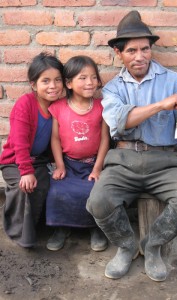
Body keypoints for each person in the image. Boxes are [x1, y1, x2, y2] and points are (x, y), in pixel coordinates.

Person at [86, 11, 177, 282]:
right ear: (118, 52)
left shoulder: (175, 82)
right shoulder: (112, 89)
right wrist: (161, 104)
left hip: (164, 163)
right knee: (97, 202)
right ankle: (126, 245)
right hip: (122, 161)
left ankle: (153, 245)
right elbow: (121, 122)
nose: (140, 56)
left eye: (145, 49)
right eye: (132, 50)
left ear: (151, 49)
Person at [0, 52, 64, 248]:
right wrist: (26, 172)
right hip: (14, 162)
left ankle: (38, 225)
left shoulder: (58, 107)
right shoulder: (25, 104)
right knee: (25, 187)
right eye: (46, 81)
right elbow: (19, 143)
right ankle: (20, 233)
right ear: (33, 84)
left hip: (39, 161)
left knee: (45, 186)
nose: (53, 86)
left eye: (58, 80)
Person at [45, 55, 109, 252]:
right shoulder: (58, 108)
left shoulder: (102, 107)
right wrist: (60, 165)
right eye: (82, 78)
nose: (90, 82)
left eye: (93, 77)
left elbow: (106, 139)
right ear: (69, 83)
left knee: (94, 191)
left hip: (93, 163)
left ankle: (95, 228)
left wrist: (97, 168)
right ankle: (62, 228)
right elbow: (55, 139)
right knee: (57, 191)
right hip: (69, 164)